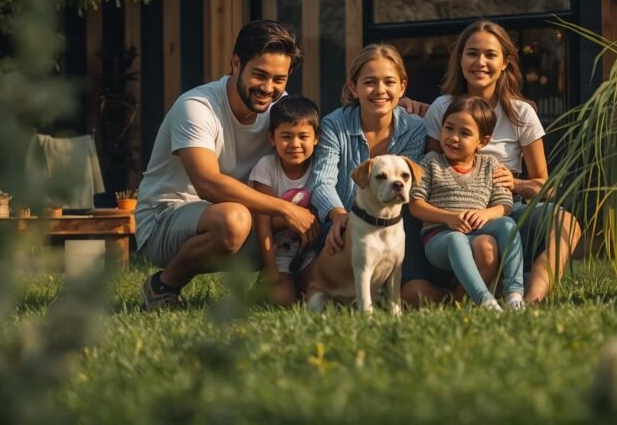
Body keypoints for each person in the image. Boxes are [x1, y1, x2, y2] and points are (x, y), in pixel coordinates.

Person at [135, 20, 319, 311]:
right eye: (259, 75)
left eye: (279, 79)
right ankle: (162, 286)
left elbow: (324, 132)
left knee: (310, 211)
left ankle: (272, 286)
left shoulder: (280, 108)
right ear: (236, 63)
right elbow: (207, 183)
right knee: (237, 219)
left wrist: (408, 107)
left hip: (241, 217)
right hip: (165, 220)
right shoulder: (197, 106)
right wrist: (285, 208)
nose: (268, 88)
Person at [404, 20, 583, 306]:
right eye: (472, 53)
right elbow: (434, 167)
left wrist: (518, 183)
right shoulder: (442, 107)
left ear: (505, 63)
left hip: (507, 209)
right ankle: (469, 298)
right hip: (454, 214)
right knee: (479, 250)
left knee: (567, 222)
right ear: (460, 59)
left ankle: (530, 298)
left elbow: (545, 186)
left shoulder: (520, 113)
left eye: (490, 54)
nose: (480, 62)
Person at [410, 96, 524, 311]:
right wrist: (448, 217)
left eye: (464, 133)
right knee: (456, 239)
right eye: (449, 128)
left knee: (508, 225)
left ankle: (514, 294)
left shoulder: (490, 164)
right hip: (440, 238)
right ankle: (485, 300)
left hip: (479, 230)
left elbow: (505, 205)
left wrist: (487, 214)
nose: (453, 137)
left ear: (483, 141)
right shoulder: (432, 162)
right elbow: (416, 204)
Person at [309, 44, 425, 254]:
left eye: (389, 82)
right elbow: (322, 182)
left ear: (402, 86)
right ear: (354, 87)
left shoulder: (415, 128)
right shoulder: (334, 124)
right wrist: (339, 216)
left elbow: (409, 187)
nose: (380, 90)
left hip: (392, 230)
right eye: (370, 82)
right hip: (340, 227)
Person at [248, 95, 321, 306]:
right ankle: (265, 285)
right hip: (278, 253)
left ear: (316, 138)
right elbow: (263, 224)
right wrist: (271, 270)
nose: (295, 144)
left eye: (303, 137)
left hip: (310, 254)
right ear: (272, 138)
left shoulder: (320, 166)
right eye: (286, 136)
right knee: (283, 301)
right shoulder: (267, 167)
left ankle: (298, 284)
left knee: (321, 295)